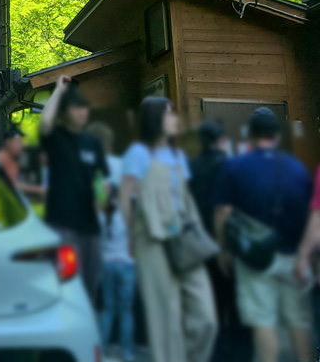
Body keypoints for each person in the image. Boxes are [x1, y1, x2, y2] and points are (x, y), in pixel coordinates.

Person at [119, 96, 217, 362]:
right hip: (150, 237)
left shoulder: (177, 155)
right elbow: (125, 197)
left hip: (184, 236)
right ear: (154, 119)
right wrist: (130, 236)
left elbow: (185, 197)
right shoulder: (138, 154)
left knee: (206, 318)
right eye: (169, 114)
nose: (175, 119)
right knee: (166, 318)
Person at [215, 107, 313, 362]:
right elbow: (311, 214)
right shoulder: (297, 169)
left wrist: (224, 247)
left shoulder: (235, 166)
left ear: (250, 135)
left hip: (255, 257)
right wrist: (308, 255)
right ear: (277, 136)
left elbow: (223, 213)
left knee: (263, 320)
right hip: (293, 256)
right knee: (299, 319)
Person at [39, 75, 109, 305]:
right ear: (65, 111)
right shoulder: (56, 138)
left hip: (90, 226)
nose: (81, 113)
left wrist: (101, 200)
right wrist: (58, 91)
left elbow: (101, 177)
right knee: (66, 285)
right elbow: (45, 123)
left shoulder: (92, 142)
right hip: (63, 224)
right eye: (76, 108)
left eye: (84, 108)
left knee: (90, 287)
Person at [190, 120, 249, 362]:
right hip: (223, 239)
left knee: (209, 298)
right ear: (221, 140)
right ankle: (236, 349)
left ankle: (212, 350)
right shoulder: (228, 164)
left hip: (199, 241)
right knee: (232, 297)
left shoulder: (190, 166)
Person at [98, 182, 136, 362]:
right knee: (126, 311)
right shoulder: (126, 213)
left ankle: (102, 348)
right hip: (126, 264)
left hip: (106, 264)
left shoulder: (100, 213)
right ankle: (126, 351)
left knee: (107, 308)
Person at [0, 125, 46, 200]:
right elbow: (12, 185)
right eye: (18, 142)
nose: (21, 146)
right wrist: (38, 189)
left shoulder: (13, 160)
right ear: (8, 142)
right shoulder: (1, 159)